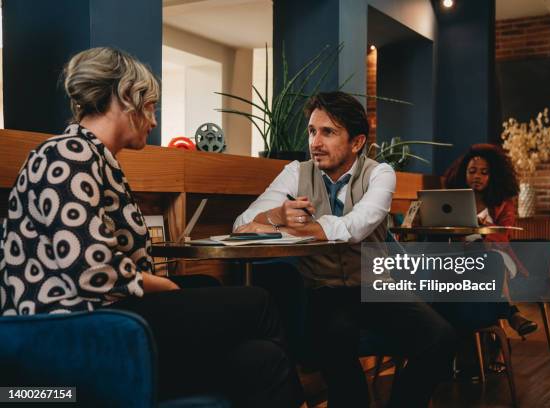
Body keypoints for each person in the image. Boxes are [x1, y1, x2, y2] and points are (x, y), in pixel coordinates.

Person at [0, 47, 303, 408]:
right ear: (125, 98)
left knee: (258, 357)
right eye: (150, 107)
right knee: (259, 302)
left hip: (107, 316)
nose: (154, 121)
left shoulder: (91, 156)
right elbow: (91, 269)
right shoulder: (67, 154)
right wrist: (163, 284)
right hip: (75, 331)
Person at [234, 91, 456, 408]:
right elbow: (241, 225)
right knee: (335, 341)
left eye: (328, 132)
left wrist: (292, 227)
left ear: (356, 142)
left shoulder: (379, 173)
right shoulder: (296, 172)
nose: (316, 142)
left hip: (376, 287)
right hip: (323, 291)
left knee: (441, 338)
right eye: (312, 131)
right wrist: (275, 216)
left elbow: (356, 226)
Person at [444, 143, 538, 336]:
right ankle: (510, 313)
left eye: (484, 172)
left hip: (498, 254)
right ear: (464, 173)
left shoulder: (504, 203)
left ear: (492, 176)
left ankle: (507, 315)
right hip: (464, 255)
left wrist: (482, 231)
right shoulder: (452, 200)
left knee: (493, 258)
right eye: (472, 171)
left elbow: (505, 234)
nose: (477, 176)